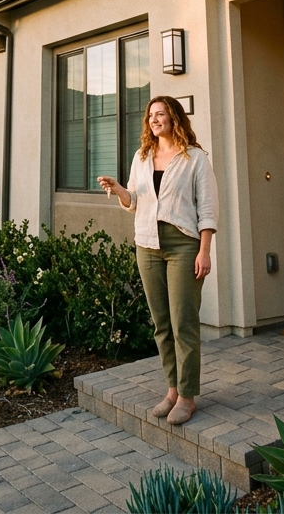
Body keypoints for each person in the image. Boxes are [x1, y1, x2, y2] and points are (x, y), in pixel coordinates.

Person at [97, 95, 218, 426]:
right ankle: (171, 390)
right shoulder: (143, 156)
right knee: (162, 324)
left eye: (161, 114)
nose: (154, 119)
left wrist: (204, 250)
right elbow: (135, 200)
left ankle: (188, 396)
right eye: (151, 115)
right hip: (147, 244)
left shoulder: (194, 158)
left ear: (174, 117)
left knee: (184, 323)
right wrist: (119, 189)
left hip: (183, 245)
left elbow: (207, 209)